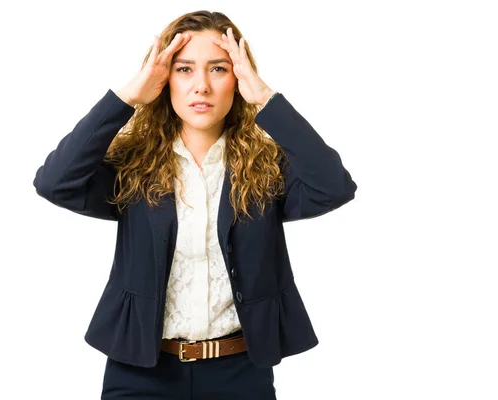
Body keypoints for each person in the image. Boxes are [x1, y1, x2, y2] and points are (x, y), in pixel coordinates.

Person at [33, 9, 357, 400]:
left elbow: (333, 186)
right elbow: (56, 182)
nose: (200, 85)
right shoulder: (134, 167)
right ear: (164, 78)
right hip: (141, 373)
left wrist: (266, 99)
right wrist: (129, 97)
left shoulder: (265, 169)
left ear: (237, 78)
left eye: (218, 69)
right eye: (184, 69)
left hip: (240, 373)